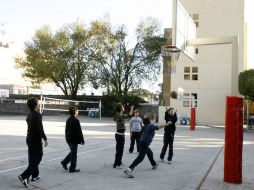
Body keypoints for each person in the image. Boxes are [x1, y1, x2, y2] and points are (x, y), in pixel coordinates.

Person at [123, 113, 170, 178]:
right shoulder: (151, 125)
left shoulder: (145, 126)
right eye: (154, 119)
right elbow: (157, 127)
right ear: (151, 119)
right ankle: (129, 169)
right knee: (140, 158)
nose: (155, 120)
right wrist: (166, 124)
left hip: (142, 142)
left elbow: (142, 133)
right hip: (144, 143)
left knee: (150, 152)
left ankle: (154, 164)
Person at [18, 97, 48, 188]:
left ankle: (35, 175)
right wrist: (45, 138)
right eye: (37, 103)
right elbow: (40, 129)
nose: (38, 104)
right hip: (35, 139)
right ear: (35, 105)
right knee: (38, 157)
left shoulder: (29, 115)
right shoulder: (37, 115)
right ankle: (24, 176)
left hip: (29, 139)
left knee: (32, 158)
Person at [61, 106, 85, 173]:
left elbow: (66, 130)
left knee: (72, 152)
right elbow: (79, 132)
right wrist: (82, 140)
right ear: (75, 112)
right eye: (77, 111)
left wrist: (66, 138)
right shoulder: (76, 120)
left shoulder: (68, 119)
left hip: (69, 139)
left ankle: (64, 162)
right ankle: (72, 168)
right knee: (74, 154)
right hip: (73, 140)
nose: (78, 112)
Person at [113, 103, 134, 168]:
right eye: (122, 106)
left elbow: (128, 115)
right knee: (120, 150)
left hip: (120, 135)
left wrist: (131, 110)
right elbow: (128, 115)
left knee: (118, 149)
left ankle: (117, 162)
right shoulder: (119, 115)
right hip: (120, 135)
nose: (123, 107)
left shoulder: (119, 114)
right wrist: (131, 109)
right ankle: (117, 164)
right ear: (120, 108)